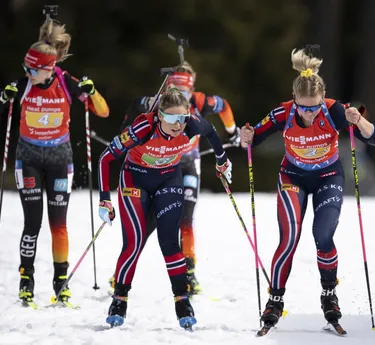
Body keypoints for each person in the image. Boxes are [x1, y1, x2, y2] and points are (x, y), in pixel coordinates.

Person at [239, 48, 375, 328]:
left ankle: (329, 295)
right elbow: (252, 140)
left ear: (322, 101)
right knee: (289, 238)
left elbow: (374, 139)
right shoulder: (283, 112)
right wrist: (247, 136)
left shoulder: (335, 110)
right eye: (303, 107)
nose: (308, 113)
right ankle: (275, 300)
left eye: (314, 107)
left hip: (329, 176)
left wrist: (358, 119)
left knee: (323, 235)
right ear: (294, 101)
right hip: (293, 176)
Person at [97, 86, 232, 328]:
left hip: (169, 178)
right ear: (160, 116)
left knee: (169, 240)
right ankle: (119, 299)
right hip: (135, 179)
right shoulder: (143, 127)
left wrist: (222, 161)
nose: (178, 124)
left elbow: (211, 131)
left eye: (181, 118)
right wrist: (105, 199)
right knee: (134, 242)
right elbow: (105, 158)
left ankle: (182, 301)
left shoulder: (191, 123)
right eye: (171, 118)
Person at [0, 19, 109, 306]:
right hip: (29, 159)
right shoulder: (23, 85)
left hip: (60, 160)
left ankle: (61, 283)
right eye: (26, 69)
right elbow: (5, 105)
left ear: (48, 68)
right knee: (32, 222)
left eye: (32, 69)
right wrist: (4, 98)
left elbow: (103, 111)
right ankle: (26, 281)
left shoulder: (65, 82)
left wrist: (92, 90)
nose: (28, 74)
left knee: (58, 225)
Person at [108, 61, 240, 296]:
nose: (183, 96)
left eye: (186, 90)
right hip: (158, 168)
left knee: (186, 218)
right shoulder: (158, 103)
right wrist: (126, 133)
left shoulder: (199, 101)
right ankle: (125, 269)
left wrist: (232, 131)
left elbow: (224, 106)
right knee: (147, 222)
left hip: (188, 166)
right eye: (178, 90)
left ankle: (189, 273)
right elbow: (134, 108)